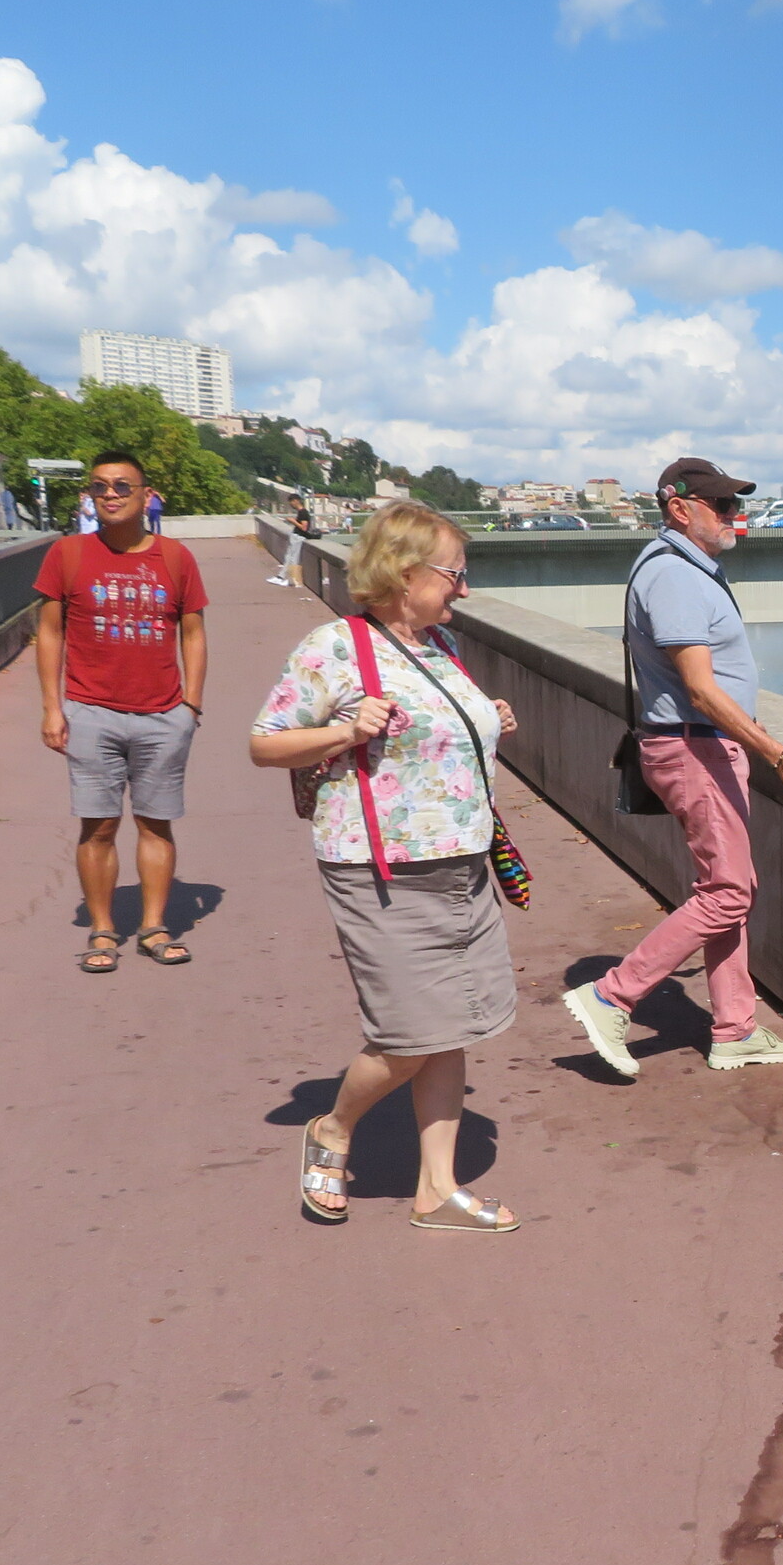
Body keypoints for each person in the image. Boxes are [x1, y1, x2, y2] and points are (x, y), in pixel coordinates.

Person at [249, 501, 523, 1232]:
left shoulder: (441, 647)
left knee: (450, 1027)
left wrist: (486, 718)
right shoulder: (335, 647)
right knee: (407, 1036)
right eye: (454, 574)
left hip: (462, 865)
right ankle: (334, 1127)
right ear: (405, 574)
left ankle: (436, 1190)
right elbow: (264, 743)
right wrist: (343, 730)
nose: (464, 588)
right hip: (383, 873)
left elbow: (430, 732)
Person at [562, 457, 783, 1078]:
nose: (737, 515)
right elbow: (701, 691)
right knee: (728, 892)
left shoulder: (685, 568)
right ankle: (612, 996)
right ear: (680, 509)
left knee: (731, 889)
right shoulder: (674, 576)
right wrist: (778, 754)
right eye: (724, 506)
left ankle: (735, 1030)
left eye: (738, 504)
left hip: (702, 745)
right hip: (694, 747)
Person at [34, 452, 209, 973]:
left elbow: (193, 633)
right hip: (90, 711)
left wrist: (191, 705)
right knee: (99, 826)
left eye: (122, 486)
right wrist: (52, 708)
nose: (110, 494)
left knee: (156, 824)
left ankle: (154, 926)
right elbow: (49, 632)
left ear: (146, 495)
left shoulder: (175, 558)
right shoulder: (68, 553)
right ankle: (102, 929)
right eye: (100, 486)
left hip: (163, 714)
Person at [272, 495, 315, 588]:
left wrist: (293, 521)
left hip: (299, 538)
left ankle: (295, 581)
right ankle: (281, 577)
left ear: (296, 501)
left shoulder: (303, 512)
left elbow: (304, 527)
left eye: (291, 502)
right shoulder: (301, 512)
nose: (291, 504)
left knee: (293, 559)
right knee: (289, 557)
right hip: (296, 537)